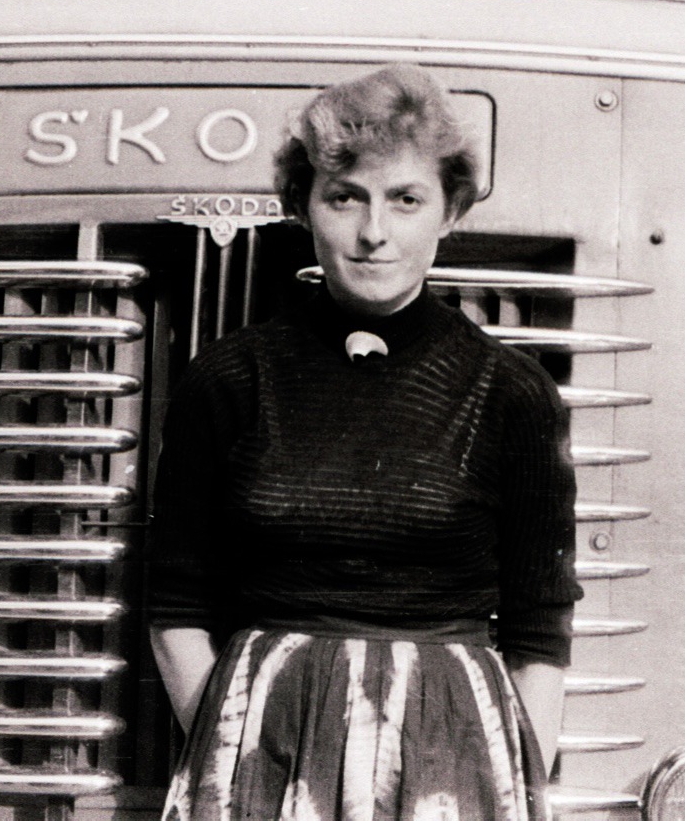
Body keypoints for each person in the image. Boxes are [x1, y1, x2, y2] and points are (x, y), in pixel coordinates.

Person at [148, 64, 580, 821]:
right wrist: (234, 760)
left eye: (406, 200)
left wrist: (504, 784)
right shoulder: (228, 381)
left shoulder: (512, 393)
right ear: (303, 207)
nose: (374, 232)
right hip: (262, 756)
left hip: (453, 758)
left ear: (450, 212)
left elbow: (539, 632)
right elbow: (176, 606)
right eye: (346, 197)